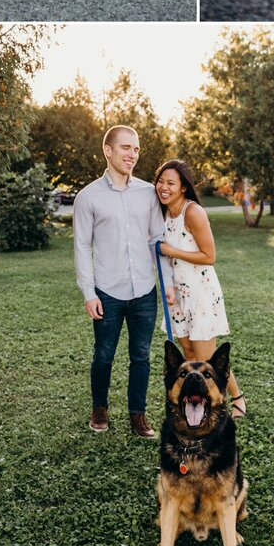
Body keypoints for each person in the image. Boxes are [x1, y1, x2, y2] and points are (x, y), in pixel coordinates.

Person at [73, 125, 161, 439]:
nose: (132, 155)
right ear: (108, 151)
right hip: (107, 292)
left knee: (141, 356)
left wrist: (168, 285)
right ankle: (100, 408)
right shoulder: (88, 197)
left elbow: (157, 240)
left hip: (144, 291)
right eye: (126, 148)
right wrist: (89, 291)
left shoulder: (148, 193)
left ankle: (138, 415)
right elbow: (82, 246)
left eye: (136, 149)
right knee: (103, 354)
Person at [153, 159, 246, 412]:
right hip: (177, 295)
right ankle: (198, 401)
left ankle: (236, 399)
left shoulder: (192, 212)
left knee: (207, 359)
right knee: (188, 352)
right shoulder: (162, 213)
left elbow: (209, 256)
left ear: (183, 187)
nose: (164, 187)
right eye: (161, 181)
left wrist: (172, 250)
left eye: (171, 183)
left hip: (200, 294)